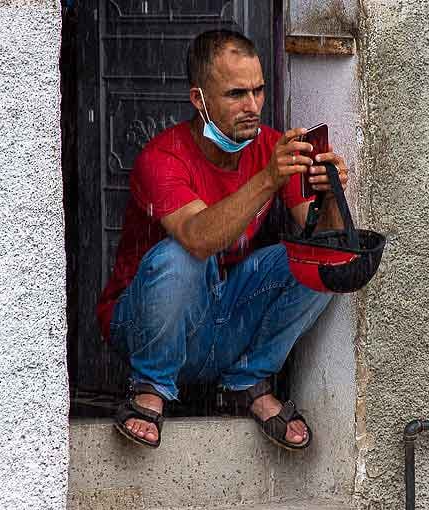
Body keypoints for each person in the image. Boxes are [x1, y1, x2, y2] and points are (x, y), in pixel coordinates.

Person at [96, 29, 350, 450]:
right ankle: (151, 387)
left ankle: (248, 381)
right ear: (199, 100)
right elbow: (198, 238)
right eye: (236, 94)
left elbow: (325, 238)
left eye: (258, 91)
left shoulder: (270, 145)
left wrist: (330, 196)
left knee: (320, 260)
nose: (252, 106)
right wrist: (269, 178)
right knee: (180, 256)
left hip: (222, 323)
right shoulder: (161, 158)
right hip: (145, 326)